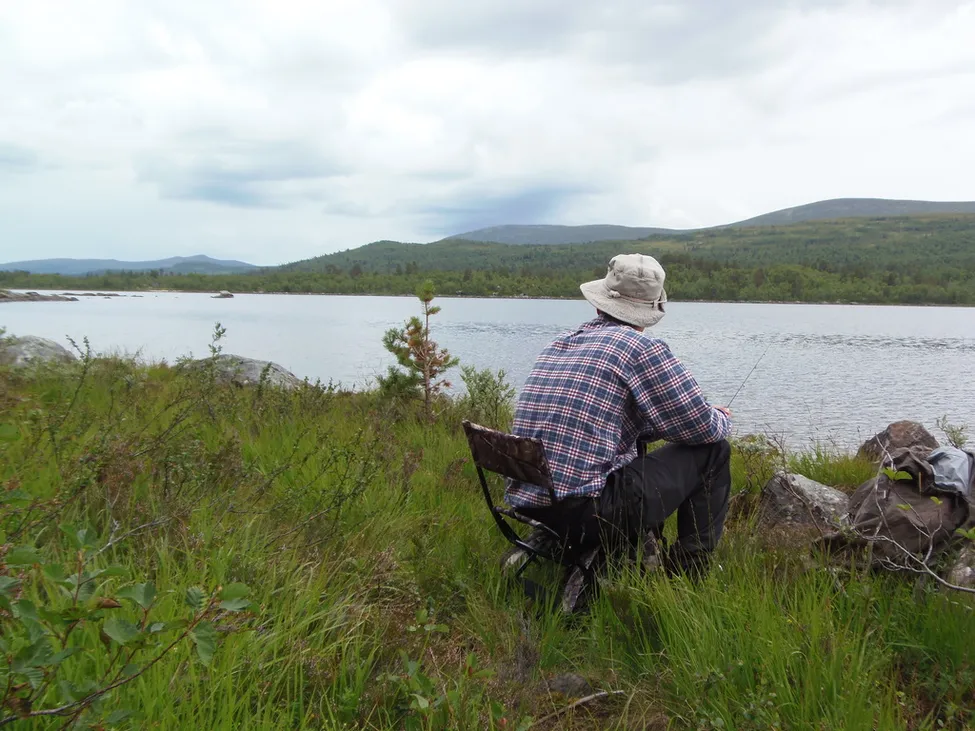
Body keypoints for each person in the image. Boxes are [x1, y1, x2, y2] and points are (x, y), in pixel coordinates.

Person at [505, 253, 732, 576]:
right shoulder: (642, 349)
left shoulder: (562, 343)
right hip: (586, 513)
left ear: (600, 303)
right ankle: (690, 573)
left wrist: (654, 425)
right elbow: (703, 428)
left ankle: (563, 544)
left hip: (531, 502)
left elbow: (608, 420)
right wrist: (722, 417)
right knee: (714, 451)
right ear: (651, 310)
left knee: (641, 445)